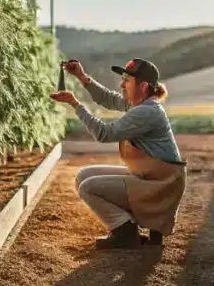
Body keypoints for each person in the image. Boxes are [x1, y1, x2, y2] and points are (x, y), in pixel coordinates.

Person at [49, 58, 187, 250]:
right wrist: (81, 76)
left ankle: (125, 232)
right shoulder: (139, 103)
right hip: (148, 177)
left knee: (88, 187)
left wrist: (75, 104)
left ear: (144, 86)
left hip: (160, 185)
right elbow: (108, 98)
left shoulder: (147, 112)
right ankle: (127, 225)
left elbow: (104, 133)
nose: (121, 84)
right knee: (84, 175)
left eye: (127, 80)